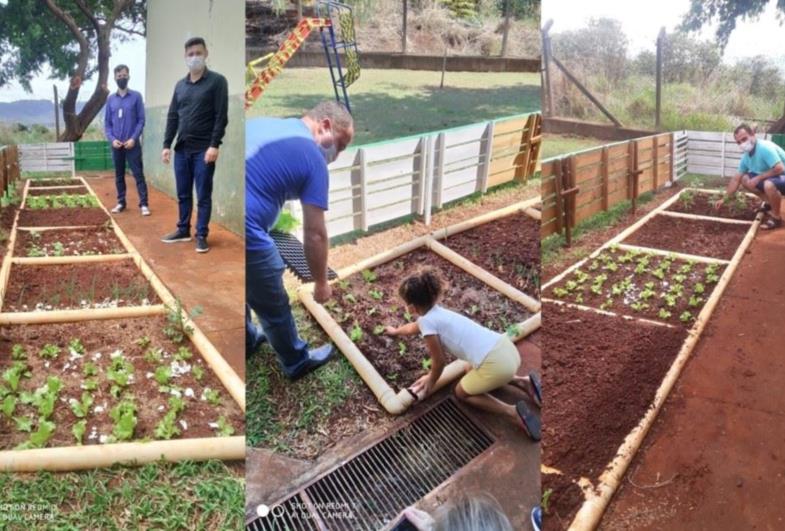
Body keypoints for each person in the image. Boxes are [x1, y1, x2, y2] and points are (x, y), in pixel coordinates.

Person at [245, 100, 355, 379]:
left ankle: (246, 339)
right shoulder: (313, 156)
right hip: (246, 231)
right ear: (326, 125)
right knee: (271, 298)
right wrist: (320, 283)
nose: (337, 155)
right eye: (340, 146)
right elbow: (315, 233)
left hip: (219, 221)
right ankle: (296, 362)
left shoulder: (266, 123)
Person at [384, 267, 542, 441]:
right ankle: (524, 382)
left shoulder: (428, 324)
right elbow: (413, 327)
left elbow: (439, 362)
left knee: (461, 393)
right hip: (507, 349)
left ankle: (512, 412)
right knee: (468, 368)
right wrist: (396, 331)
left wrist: (431, 379)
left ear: (412, 308)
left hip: (497, 366)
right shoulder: (438, 312)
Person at [160, 37, 229, 253]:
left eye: (198, 53)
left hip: (203, 150)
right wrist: (166, 145)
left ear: (206, 53)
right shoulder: (180, 86)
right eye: (190, 54)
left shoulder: (217, 82)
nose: (194, 57)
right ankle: (183, 230)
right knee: (183, 193)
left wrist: (214, 145)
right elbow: (173, 116)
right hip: (182, 149)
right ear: (185, 57)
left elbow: (221, 116)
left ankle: (201, 235)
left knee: (203, 195)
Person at [714, 124, 785, 230]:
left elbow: (780, 168)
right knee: (744, 179)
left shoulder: (764, 148)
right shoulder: (746, 157)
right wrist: (724, 199)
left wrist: (758, 178)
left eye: (744, 139)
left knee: (769, 184)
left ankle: (776, 218)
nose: (742, 144)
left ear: (753, 135)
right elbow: (736, 179)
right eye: (739, 142)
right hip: (775, 177)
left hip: (782, 174)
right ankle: (770, 204)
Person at [104, 64, 150, 216]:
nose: (122, 78)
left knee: (138, 174)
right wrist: (112, 140)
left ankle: (143, 204)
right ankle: (121, 202)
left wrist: (133, 138)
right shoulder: (111, 100)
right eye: (119, 76)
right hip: (117, 145)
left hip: (132, 144)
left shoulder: (136, 97)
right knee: (119, 175)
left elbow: (141, 121)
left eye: (124, 75)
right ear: (115, 78)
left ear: (128, 76)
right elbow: (107, 124)